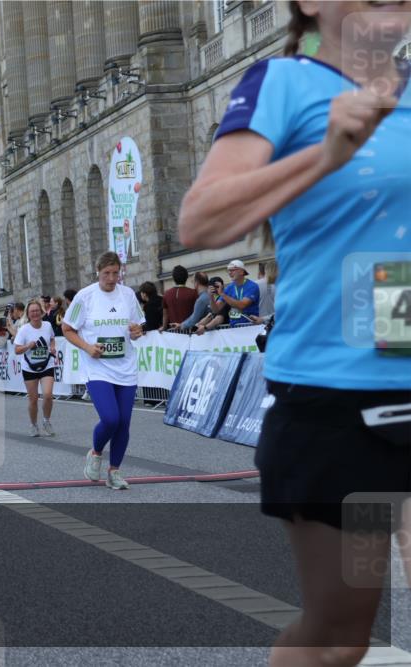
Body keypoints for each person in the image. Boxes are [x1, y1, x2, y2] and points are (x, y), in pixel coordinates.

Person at [178, 2, 411, 664]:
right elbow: (199, 223)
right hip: (338, 400)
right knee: (338, 642)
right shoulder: (282, 84)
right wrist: (324, 155)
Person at [62, 251, 145, 490]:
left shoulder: (127, 295)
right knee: (110, 418)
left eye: (115, 273)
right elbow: (67, 329)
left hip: (126, 367)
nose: (111, 278)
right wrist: (88, 347)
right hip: (97, 368)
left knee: (124, 423)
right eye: (106, 273)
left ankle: (114, 472)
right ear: (97, 272)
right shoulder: (85, 296)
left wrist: (136, 332)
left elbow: (137, 328)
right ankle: (96, 452)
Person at [14, 299, 58, 437]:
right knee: (33, 399)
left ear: (41, 312)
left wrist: (52, 347)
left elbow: (52, 338)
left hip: (46, 365)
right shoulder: (24, 330)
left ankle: (46, 421)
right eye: (32, 311)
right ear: (28, 314)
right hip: (29, 368)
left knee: (48, 395)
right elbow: (17, 350)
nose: (35, 313)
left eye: (37, 311)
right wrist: (28, 346)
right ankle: (33, 425)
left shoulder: (47, 325)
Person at [218, 259, 260, 326]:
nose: (230, 273)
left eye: (233, 270)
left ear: (242, 272)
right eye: (228, 270)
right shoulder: (229, 287)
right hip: (234, 326)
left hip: (250, 326)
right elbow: (216, 309)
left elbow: (242, 305)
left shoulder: (252, 286)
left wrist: (222, 294)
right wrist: (211, 295)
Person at [253, 259, 279, 323]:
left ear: (259, 273)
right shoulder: (279, 285)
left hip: (257, 322)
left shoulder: (253, 285)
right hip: (274, 322)